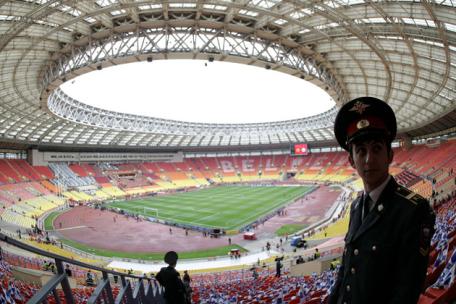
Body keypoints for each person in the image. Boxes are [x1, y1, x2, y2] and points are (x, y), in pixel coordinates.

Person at [328, 97, 435, 304]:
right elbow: (346, 272)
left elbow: (407, 290)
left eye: (377, 149)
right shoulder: (356, 205)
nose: (369, 159)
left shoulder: (413, 209)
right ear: (351, 160)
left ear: (390, 155)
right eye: (361, 151)